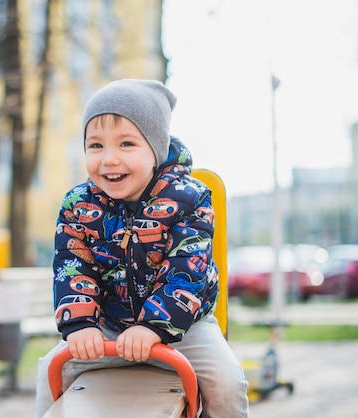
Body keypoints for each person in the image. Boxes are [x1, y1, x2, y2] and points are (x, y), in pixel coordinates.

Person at [35, 79, 249, 417]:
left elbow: (186, 270)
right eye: (96, 146)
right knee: (51, 370)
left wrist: (153, 327)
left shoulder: (189, 199)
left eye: (126, 144)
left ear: (156, 150)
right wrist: (80, 325)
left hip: (183, 329)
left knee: (226, 382)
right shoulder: (79, 204)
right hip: (109, 327)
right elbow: (73, 266)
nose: (109, 159)